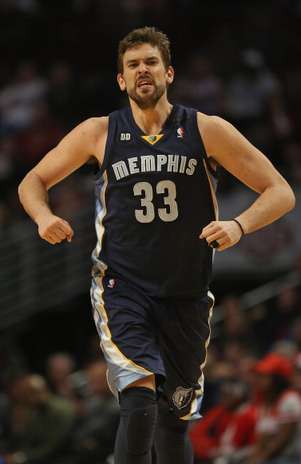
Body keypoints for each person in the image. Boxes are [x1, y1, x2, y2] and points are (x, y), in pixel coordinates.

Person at [18, 26, 295, 464]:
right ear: (121, 81)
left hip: (185, 292)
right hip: (122, 287)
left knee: (173, 418)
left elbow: (281, 191)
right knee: (139, 400)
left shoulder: (206, 129)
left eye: (150, 62)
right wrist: (44, 216)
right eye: (132, 65)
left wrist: (239, 226)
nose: (142, 70)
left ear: (169, 72)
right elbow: (32, 180)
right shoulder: (98, 132)